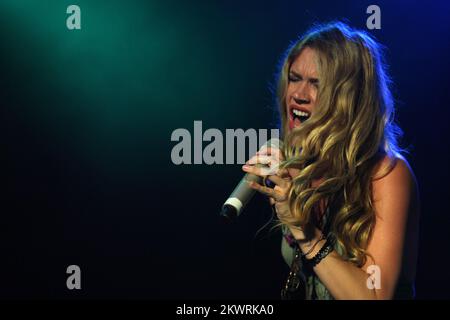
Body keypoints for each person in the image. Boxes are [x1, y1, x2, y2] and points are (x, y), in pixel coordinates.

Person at [241, 22, 420, 300]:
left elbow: (374, 296)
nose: (298, 95)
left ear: (349, 99)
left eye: (316, 83)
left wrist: (305, 233)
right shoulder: (299, 169)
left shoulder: (387, 175)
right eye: (294, 77)